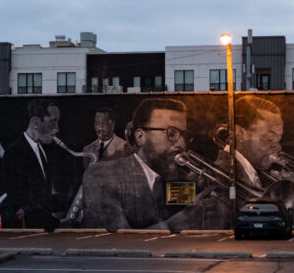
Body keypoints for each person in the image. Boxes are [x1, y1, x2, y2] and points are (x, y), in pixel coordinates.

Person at [80, 98, 227, 232]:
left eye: (184, 135)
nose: (182, 144)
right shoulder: (101, 177)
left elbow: (181, 210)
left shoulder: (175, 179)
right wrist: (181, 222)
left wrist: (204, 207)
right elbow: (116, 244)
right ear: (140, 137)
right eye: (171, 133)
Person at [216, 96, 294, 228]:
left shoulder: (255, 172)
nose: (278, 147)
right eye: (270, 138)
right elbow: (232, 228)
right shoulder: (222, 175)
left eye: (278, 139)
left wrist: (285, 194)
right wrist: (289, 216)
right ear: (239, 134)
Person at [0, 99, 63, 232]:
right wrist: (54, 222)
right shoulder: (14, 153)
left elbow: (42, 194)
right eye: (53, 122)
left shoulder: (42, 149)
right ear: (35, 123)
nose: (57, 129)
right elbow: (21, 201)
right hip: (29, 229)